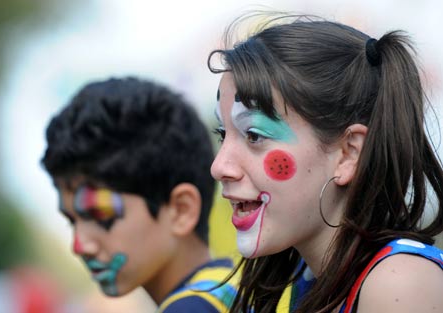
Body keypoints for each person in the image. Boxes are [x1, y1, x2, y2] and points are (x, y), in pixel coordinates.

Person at [208, 13, 443, 313]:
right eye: (222, 133)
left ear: (348, 154)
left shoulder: (399, 284)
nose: (219, 166)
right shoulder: (304, 279)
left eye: (254, 135)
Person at [41, 77, 238, 312]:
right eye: (72, 221)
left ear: (181, 209)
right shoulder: (234, 292)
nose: (79, 245)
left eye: (100, 216)